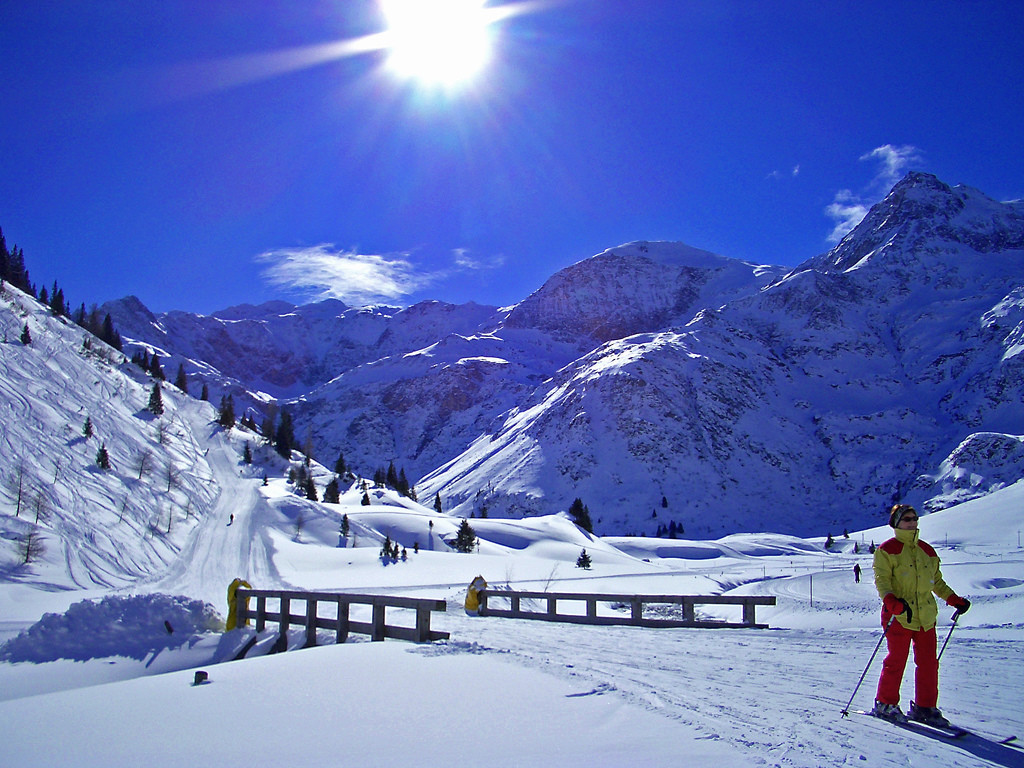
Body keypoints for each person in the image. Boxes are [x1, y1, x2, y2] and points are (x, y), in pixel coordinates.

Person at [872, 503, 971, 726]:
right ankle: (886, 703)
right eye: (907, 519)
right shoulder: (887, 550)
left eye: (914, 518)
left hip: (925, 616)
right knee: (896, 661)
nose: (912, 522)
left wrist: (953, 599)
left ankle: (925, 706)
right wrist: (891, 602)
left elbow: (936, 582)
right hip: (899, 615)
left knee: (928, 663)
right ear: (897, 523)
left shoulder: (927, 551)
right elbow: (883, 582)